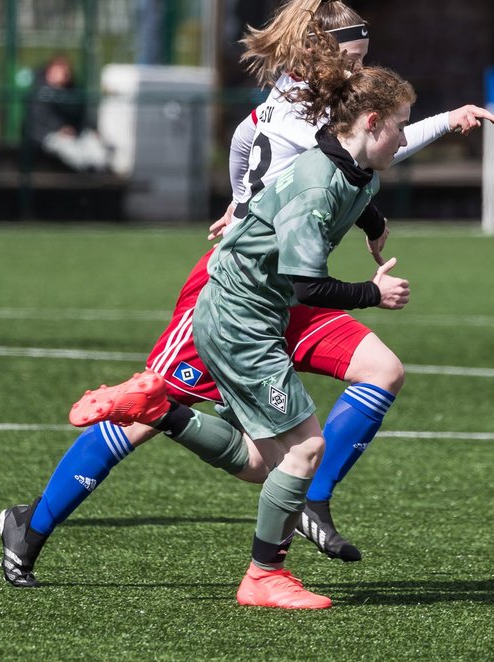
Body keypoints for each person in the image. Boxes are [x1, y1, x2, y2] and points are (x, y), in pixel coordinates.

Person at [0, 0, 494, 589]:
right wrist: (245, 205)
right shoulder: (300, 110)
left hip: (292, 285)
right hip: (241, 288)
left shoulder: (313, 101)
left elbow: (326, 148)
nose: (361, 68)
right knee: (148, 411)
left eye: (366, 57)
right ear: (320, 50)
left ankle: (309, 496)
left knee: (381, 371)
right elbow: (308, 149)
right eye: (354, 58)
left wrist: (257, 199)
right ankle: (33, 523)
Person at [71, 59, 418, 609]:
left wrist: (373, 226)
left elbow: (359, 194)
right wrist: (374, 294)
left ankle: (161, 410)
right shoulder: (315, 186)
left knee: (261, 463)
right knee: (305, 451)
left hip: (242, 313)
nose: (404, 136)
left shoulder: (353, 163)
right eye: (401, 124)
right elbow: (308, 286)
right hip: (244, 322)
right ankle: (263, 577)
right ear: (372, 121)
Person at [24, 54, 111, 172]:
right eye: (58, 71)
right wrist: (59, 127)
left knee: (95, 147)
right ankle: (88, 174)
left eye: (65, 72)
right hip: (47, 135)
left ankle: (99, 172)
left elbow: (82, 115)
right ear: (49, 72)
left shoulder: (72, 91)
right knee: (71, 149)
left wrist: (92, 128)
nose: (63, 75)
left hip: (75, 133)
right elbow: (39, 117)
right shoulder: (40, 90)